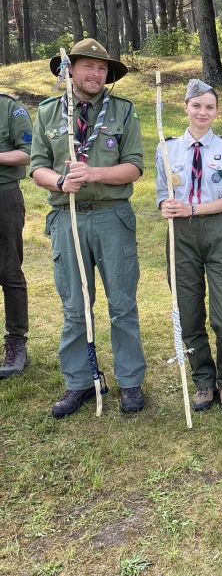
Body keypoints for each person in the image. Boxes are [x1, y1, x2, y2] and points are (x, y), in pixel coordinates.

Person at [30, 39, 146, 418]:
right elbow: (37, 167)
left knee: (122, 305)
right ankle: (79, 382)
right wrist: (60, 182)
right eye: (88, 66)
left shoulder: (123, 111)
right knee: (75, 306)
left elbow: (134, 166)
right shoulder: (49, 113)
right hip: (68, 217)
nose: (96, 74)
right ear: (69, 70)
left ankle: (130, 382)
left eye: (102, 68)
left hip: (112, 216)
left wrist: (94, 172)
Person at [156, 79, 222, 412]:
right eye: (197, 105)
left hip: (217, 229)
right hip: (180, 235)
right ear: (186, 107)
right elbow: (163, 193)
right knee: (189, 313)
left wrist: (192, 208)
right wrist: (167, 204)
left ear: (217, 112)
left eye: (209, 107)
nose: (203, 112)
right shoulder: (167, 148)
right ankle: (204, 381)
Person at [0, 92, 33, 379]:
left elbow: (27, 152)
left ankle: (16, 344)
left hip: (3, 196)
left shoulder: (9, 106)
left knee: (9, 271)